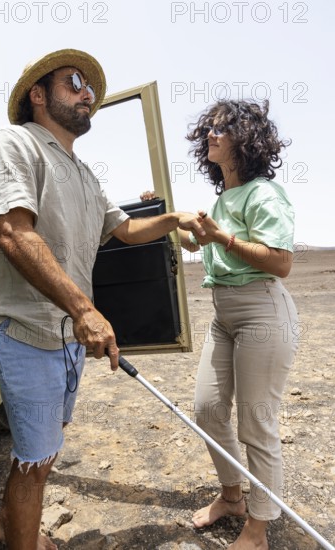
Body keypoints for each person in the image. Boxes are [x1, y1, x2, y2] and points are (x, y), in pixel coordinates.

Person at [0, 49, 206, 550]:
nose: (87, 93)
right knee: (35, 458)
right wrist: (84, 309)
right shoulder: (12, 144)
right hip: (24, 328)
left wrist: (172, 219)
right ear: (37, 95)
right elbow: (13, 233)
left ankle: (5, 526)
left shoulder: (80, 171)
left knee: (43, 450)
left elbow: (123, 228)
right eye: (74, 81)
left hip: (64, 336)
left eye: (90, 87)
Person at [185, 100, 299, 550]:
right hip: (224, 315)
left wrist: (220, 237)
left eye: (221, 130)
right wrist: (174, 220)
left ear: (245, 140)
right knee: (208, 409)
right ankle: (232, 496)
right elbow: (205, 245)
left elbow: (282, 262)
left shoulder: (263, 194)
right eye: (208, 130)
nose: (210, 135)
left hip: (262, 312)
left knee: (256, 423)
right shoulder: (223, 198)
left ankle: (258, 527)